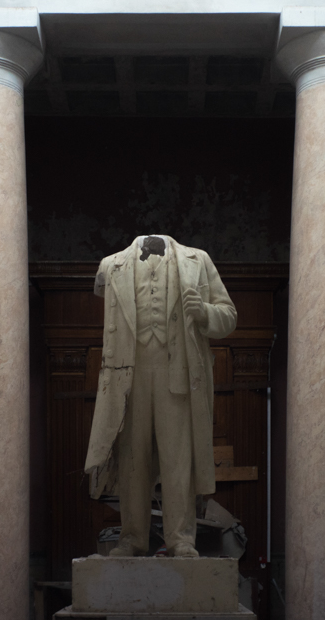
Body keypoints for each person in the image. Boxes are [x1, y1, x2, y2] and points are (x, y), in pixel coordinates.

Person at [85, 235, 237, 557]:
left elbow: (229, 316)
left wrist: (204, 312)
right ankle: (132, 538)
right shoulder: (112, 265)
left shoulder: (198, 260)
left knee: (178, 462)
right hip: (130, 377)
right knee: (132, 460)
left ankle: (181, 539)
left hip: (177, 375)